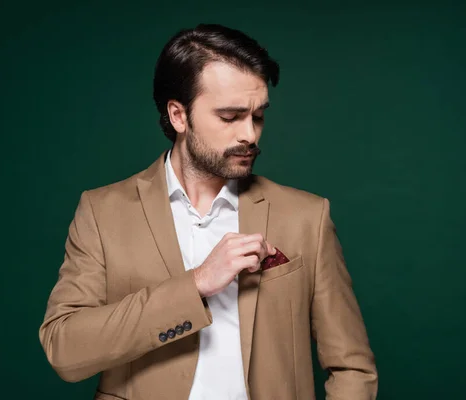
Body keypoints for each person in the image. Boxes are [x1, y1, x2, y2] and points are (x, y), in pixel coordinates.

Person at [38, 23, 377, 400]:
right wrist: (196, 283)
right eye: (230, 117)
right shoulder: (102, 212)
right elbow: (64, 349)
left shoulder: (306, 217)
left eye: (258, 115)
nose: (250, 134)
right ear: (179, 116)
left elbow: (352, 367)